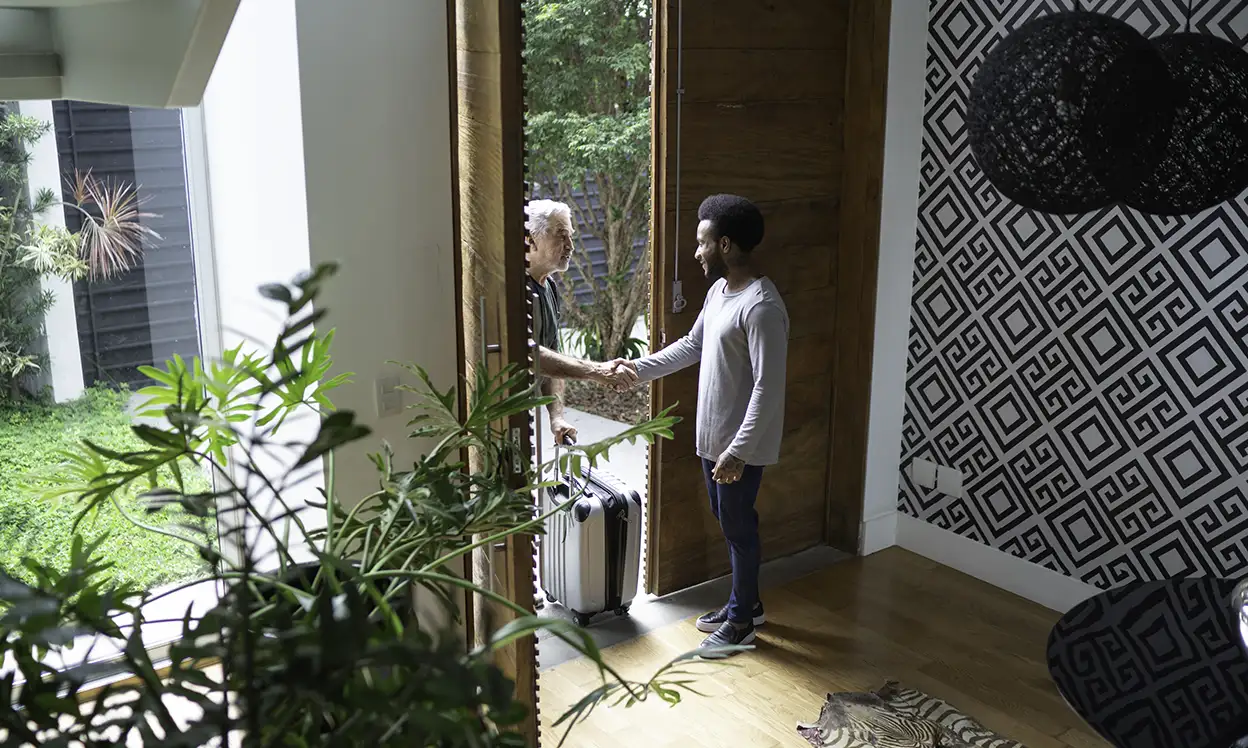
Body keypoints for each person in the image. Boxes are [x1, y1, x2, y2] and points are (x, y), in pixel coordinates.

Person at [619, 194, 789, 655]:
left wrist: (738, 451)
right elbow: (690, 347)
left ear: (727, 245)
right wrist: (636, 370)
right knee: (729, 520)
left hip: (739, 446)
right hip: (713, 440)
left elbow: (768, 389)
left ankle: (741, 624)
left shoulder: (761, 308)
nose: (697, 252)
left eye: (703, 243)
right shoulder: (719, 293)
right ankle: (746, 604)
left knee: (738, 527)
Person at [525, 199, 637, 445]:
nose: (571, 246)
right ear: (530, 239)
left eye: (571, 236)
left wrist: (557, 417)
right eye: (562, 236)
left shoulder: (549, 285)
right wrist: (597, 371)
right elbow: (530, 355)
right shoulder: (516, 287)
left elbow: (551, 356)